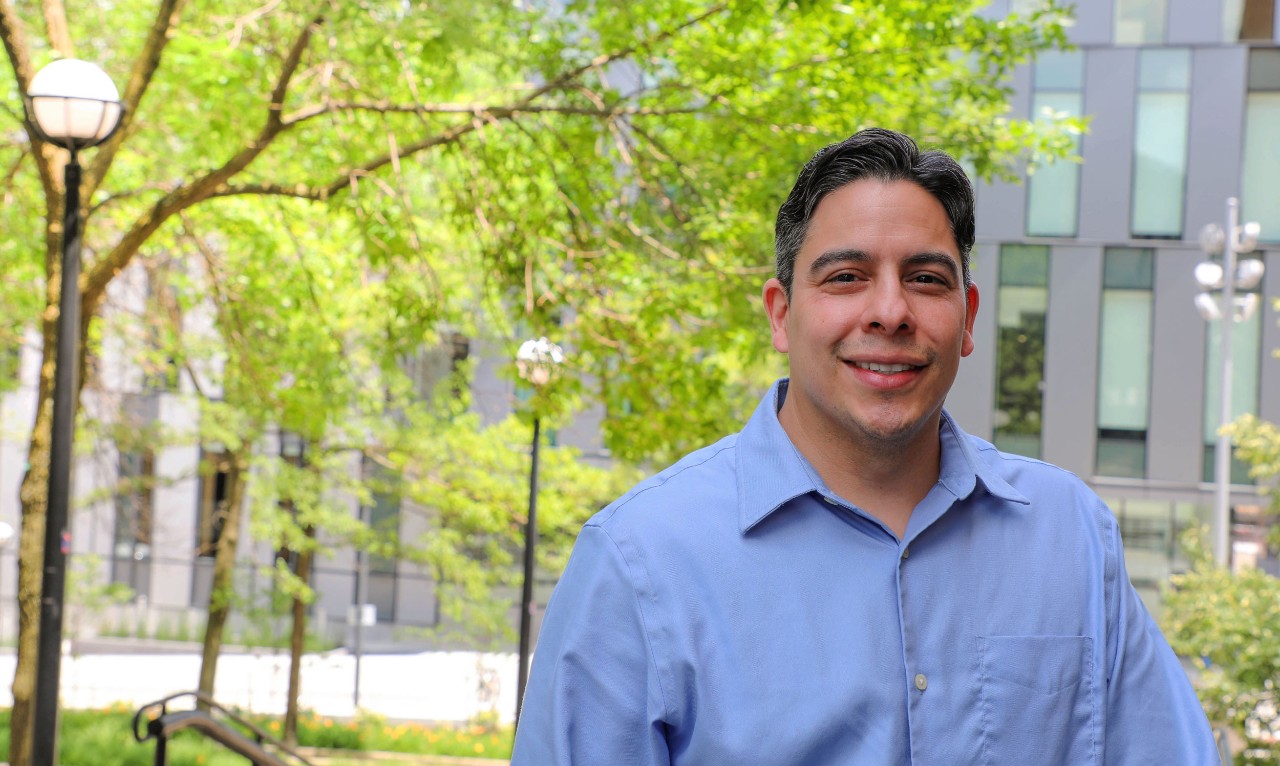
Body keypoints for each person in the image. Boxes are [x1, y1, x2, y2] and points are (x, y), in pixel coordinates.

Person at [510, 128, 1217, 764]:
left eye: (926, 279)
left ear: (967, 320)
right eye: (846, 277)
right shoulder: (639, 561)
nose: (889, 311)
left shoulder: (1071, 536)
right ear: (782, 316)